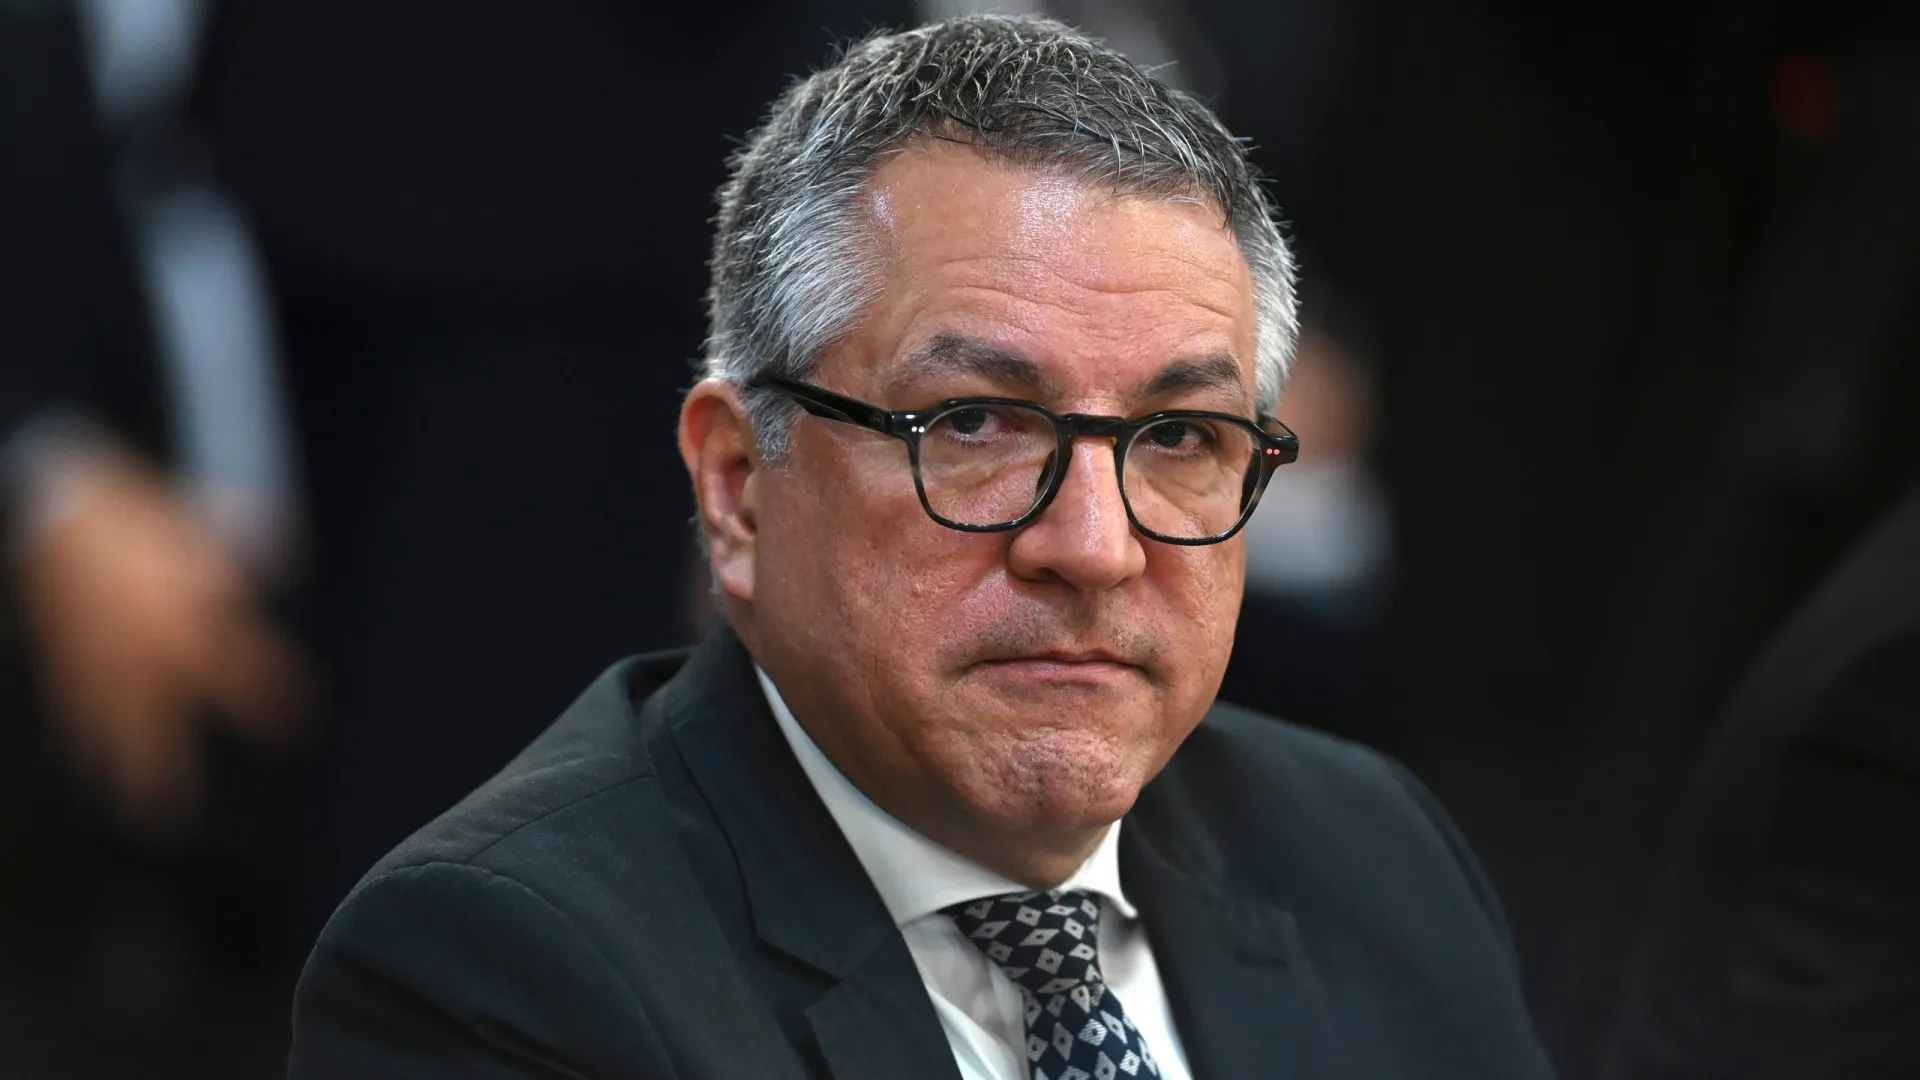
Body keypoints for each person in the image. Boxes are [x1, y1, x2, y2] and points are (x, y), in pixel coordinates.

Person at [289, 16, 1556, 1079]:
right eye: (976, 425)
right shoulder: (501, 972)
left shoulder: (1372, 855)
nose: (1095, 546)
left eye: (1178, 437)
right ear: (738, 487)